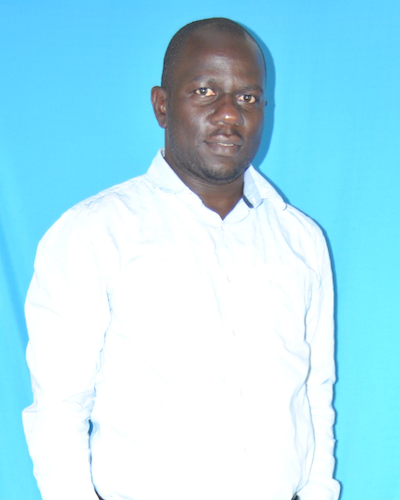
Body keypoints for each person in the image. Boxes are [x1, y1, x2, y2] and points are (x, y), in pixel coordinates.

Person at [23, 17, 340, 500]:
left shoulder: (301, 240)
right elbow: (59, 410)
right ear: (162, 105)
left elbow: (316, 393)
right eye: (206, 92)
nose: (230, 114)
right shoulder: (93, 234)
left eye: (248, 98)